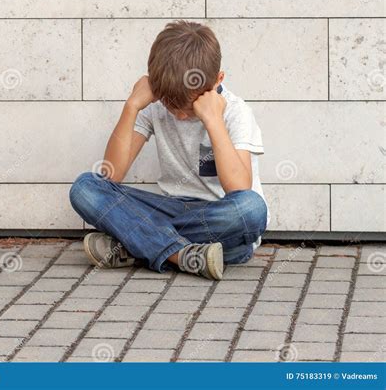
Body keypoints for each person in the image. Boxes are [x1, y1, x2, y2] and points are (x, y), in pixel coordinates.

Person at [70, 21, 268, 280]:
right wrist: (131, 106)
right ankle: (181, 255)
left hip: (219, 221)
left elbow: (239, 188)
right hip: (171, 208)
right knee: (85, 188)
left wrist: (213, 121)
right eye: (171, 105)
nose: (181, 115)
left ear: (218, 80)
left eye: (189, 105)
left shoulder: (235, 111)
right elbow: (112, 175)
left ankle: (136, 244)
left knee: (252, 209)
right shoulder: (156, 105)